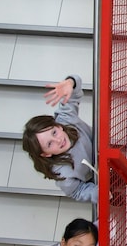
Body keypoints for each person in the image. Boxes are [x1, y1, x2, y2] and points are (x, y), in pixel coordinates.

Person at [22, 75, 97, 203]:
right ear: (46, 154)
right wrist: (98, 193)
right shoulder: (62, 173)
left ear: (58, 126)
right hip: (101, 177)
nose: (58, 140)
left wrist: (70, 82)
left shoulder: (65, 119)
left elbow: (74, 91)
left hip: (107, 148)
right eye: (50, 144)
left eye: (54, 132)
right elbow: (77, 191)